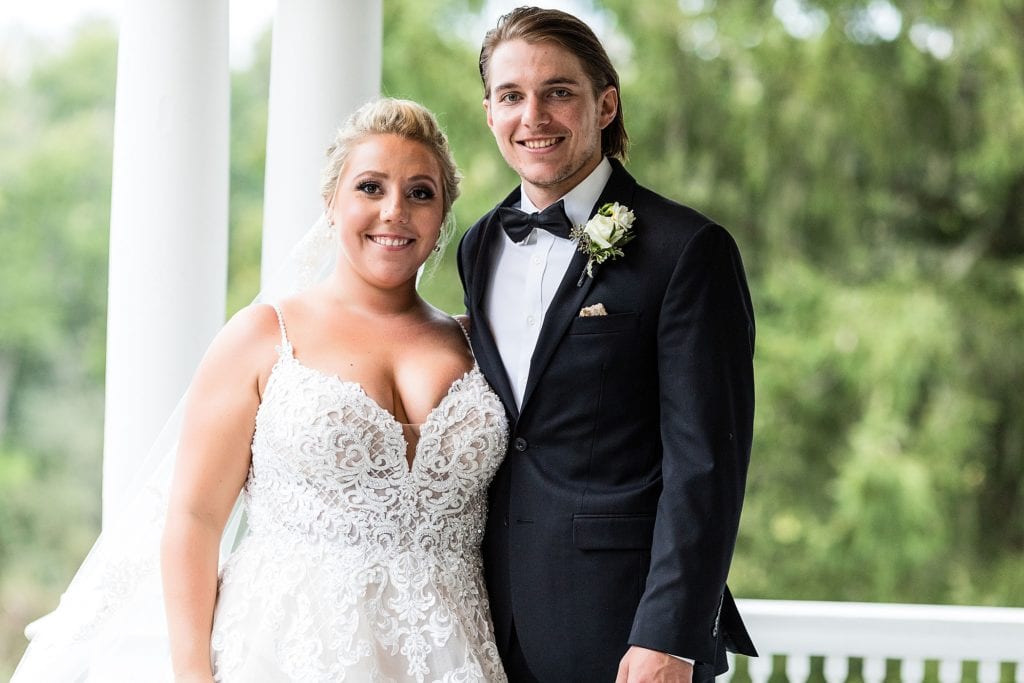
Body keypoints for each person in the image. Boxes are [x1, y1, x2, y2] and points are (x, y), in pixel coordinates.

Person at [14, 98, 509, 682]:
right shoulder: (263, 337)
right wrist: (193, 675)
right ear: (331, 203)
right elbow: (195, 518)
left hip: (450, 654)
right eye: (370, 188)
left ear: (444, 213)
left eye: (420, 193)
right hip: (287, 650)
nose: (394, 211)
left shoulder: (482, 345)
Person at [457, 7, 757, 682]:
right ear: (489, 112)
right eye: (511, 95)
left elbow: (707, 465)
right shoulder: (479, 246)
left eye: (558, 91)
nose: (533, 115)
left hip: (627, 632)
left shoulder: (687, 250)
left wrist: (670, 637)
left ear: (605, 102)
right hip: (488, 624)